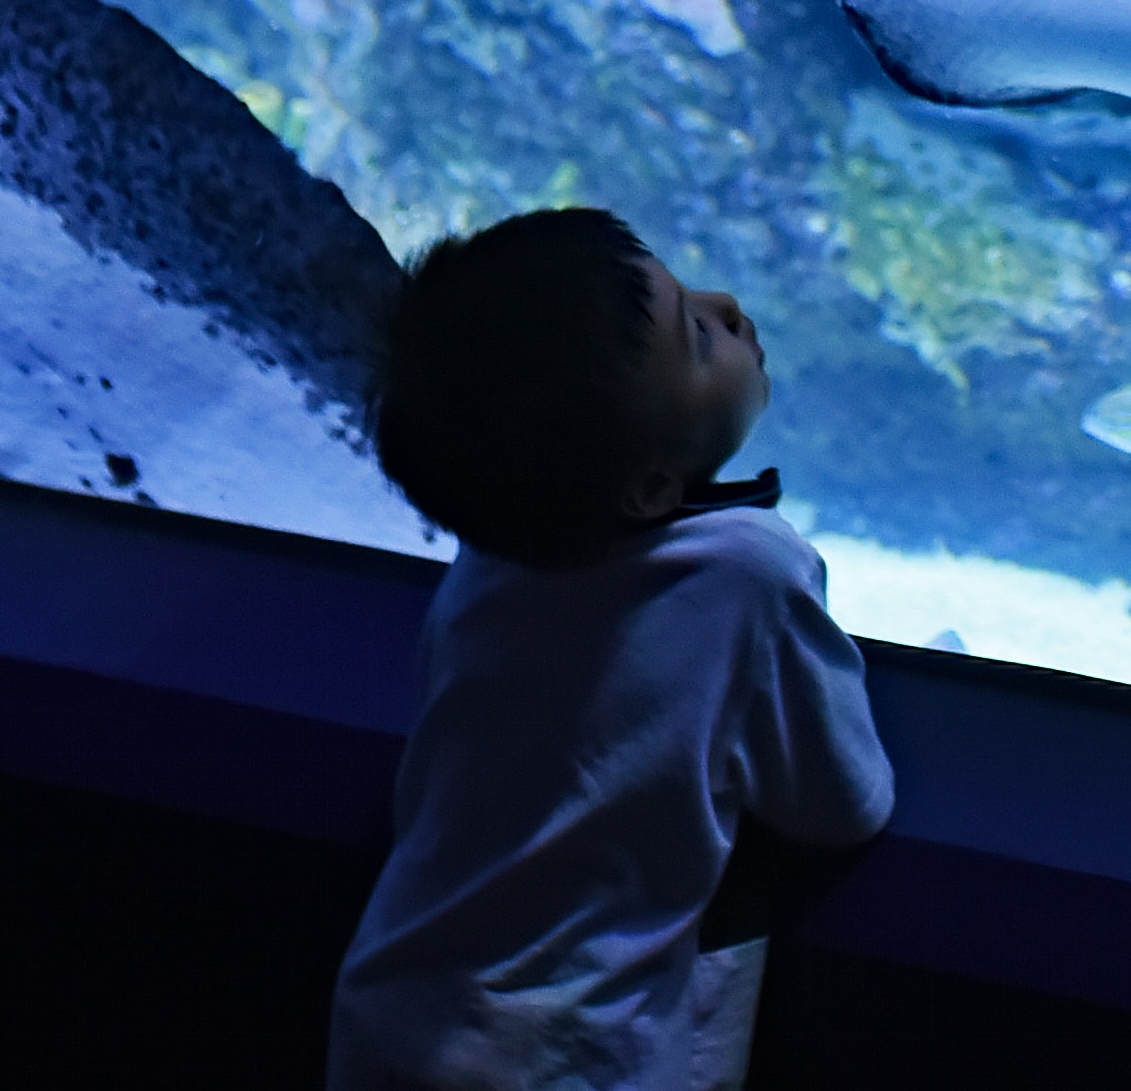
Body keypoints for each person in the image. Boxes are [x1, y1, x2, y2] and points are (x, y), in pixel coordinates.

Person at [332, 208, 893, 1091]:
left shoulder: (491, 556)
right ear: (650, 487)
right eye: (697, 336)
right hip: (574, 1058)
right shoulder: (747, 571)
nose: (728, 306)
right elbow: (845, 803)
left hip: (390, 1022)